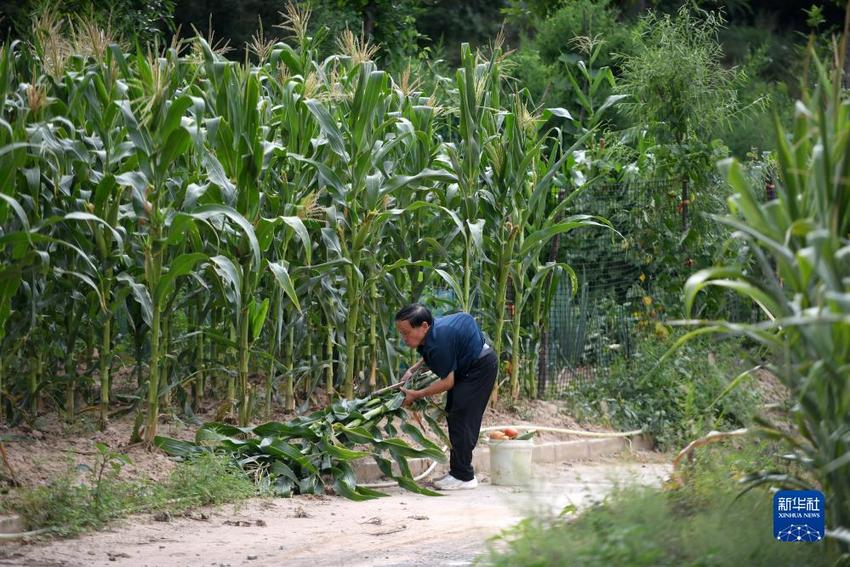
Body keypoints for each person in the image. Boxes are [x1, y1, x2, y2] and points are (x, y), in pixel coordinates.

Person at [395, 303, 497, 490]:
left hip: (479, 368)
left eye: (406, 333)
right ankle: (458, 472)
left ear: (424, 326)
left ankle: (464, 477)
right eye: (401, 333)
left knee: (463, 417)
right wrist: (413, 369)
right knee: (455, 414)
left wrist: (416, 394)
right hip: (471, 365)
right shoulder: (433, 332)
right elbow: (434, 352)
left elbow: (447, 383)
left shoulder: (438, 340)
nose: (404, 338)